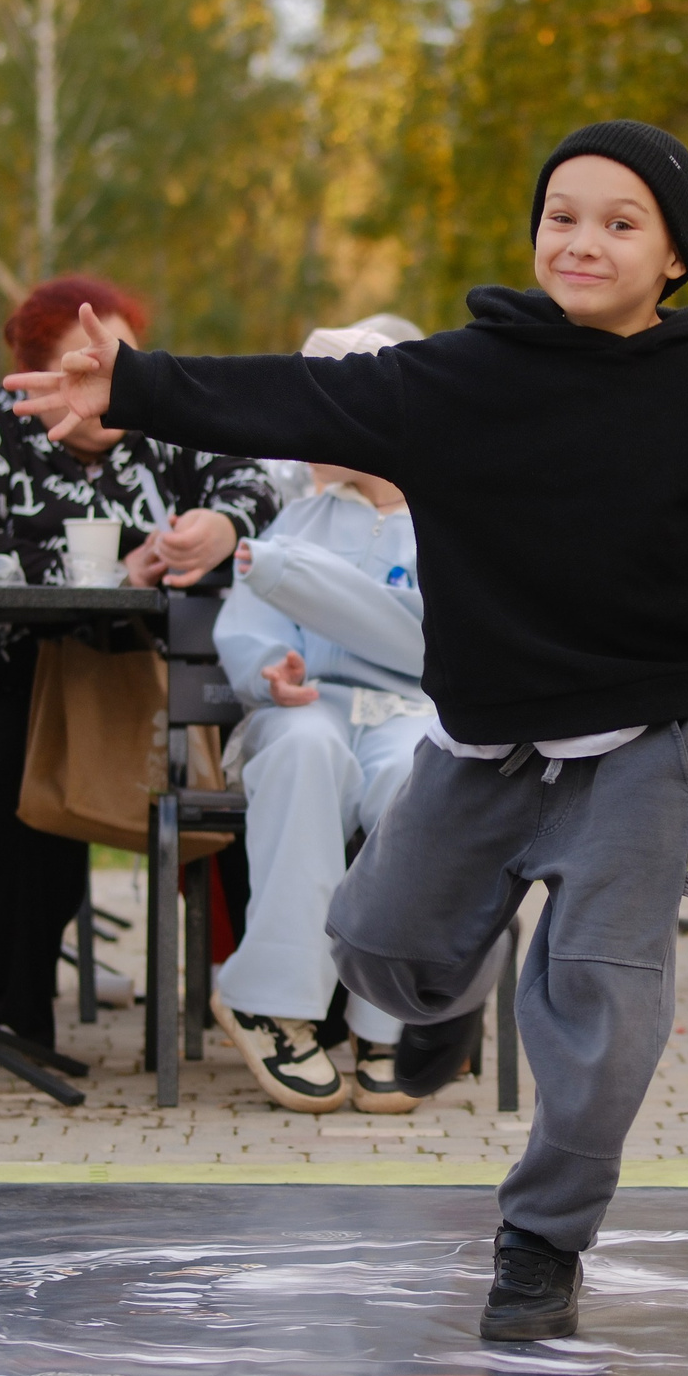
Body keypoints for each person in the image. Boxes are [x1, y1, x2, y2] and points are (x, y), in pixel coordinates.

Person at [6, 120, 688, 1341]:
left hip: (640, 746)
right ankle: (444, 1001)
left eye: (619, 223)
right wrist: (132, 386)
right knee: (375, 946)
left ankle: (541, 1243)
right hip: (482, 741)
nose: (582, 240)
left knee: (600, 1009)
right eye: (562, 216)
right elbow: (292, 393)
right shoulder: (455, 378)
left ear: (672, 258)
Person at [0, 275, 278, 1054]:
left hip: (154, 681)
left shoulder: (168, 425)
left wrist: (221, 526)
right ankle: (16, 1013)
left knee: (267, 755)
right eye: (84, 366)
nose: (106, 383)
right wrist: (120, 570)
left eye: (120, 364)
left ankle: (281, 1007)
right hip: (9, 675)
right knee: (8, 769)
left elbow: (258, 484)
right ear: (31, 374)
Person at [211, 317, 437, 1115]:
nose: (299, 430)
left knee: (422, 777)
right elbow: (248, 624)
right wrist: (269, 669)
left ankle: (390, 1020)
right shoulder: (296, 521)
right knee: (304, 750)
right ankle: (272, 1004)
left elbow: (449, 646)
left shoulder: (450, 519)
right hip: (308, 712)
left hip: (411, 714)